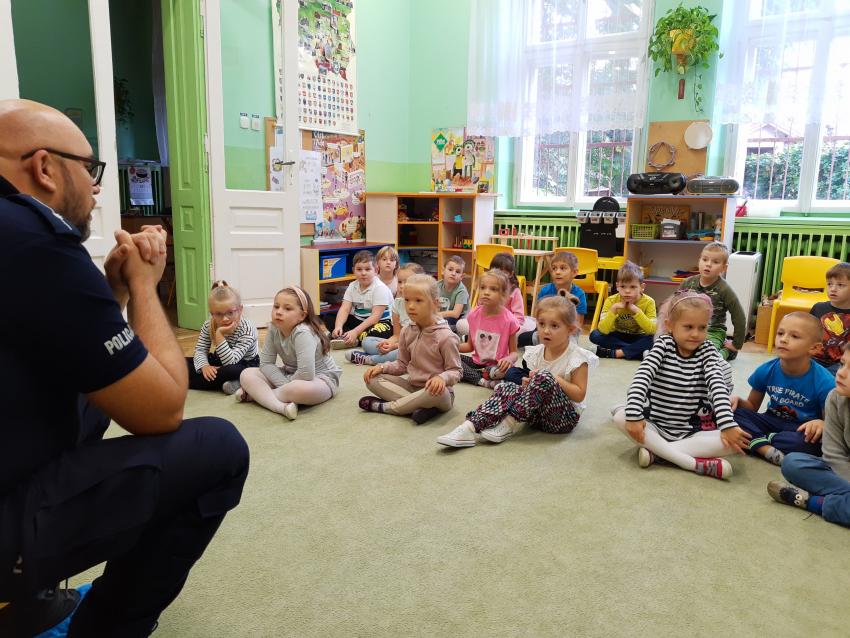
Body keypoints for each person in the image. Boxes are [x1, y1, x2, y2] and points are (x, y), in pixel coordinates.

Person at [0, 99, 248, 636]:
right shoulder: (36, 239)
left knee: (89, 395)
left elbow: (81, 355)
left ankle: (27, 600)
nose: (96, 188)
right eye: (89, 169)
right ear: (44, 168)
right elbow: (162, 408)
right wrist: (143, 285)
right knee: (219, 449)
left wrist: (110, 291)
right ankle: (106, 627)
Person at [611, 290, 750, 480]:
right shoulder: (663, 346)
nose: (696, 334)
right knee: (621, 417)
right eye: (688, 327)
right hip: (655, 425)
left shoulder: (708, 351)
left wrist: (727, 425)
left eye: (702, 327)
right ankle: (691, 463)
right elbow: (641, 378)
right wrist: (634, 414)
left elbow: (718, 385)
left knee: (733, 442)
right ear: (670, 326)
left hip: (690, 432)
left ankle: (658, 454)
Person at [437, 296, 597, 448]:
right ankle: (469, 427)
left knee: (544, 376)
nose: (546, 330)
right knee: (507, 387)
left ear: (570, 330)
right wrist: (529, 384)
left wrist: (554, 379)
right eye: (541, 324)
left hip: (562, 419)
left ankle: (508, 424)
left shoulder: (577, 357)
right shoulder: (537, 352)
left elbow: (579, 395)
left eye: (554, 326)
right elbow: (534, 389)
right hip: (534, 415)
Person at [732, 312, 833, 466]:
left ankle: (758, 440)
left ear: (814, 348)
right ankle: (765, 448)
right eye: (780, 333)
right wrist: (738, 401)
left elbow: (830, 425)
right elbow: (752, 407)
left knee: (817, 442)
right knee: (730, 413)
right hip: (770, 420)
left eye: (794, 336)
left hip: (800, 430)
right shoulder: (766, 370)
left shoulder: (825, 382)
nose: (783, 339)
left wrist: (820, 423)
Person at [359, 274, 462, 424]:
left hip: (437, 393)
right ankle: (419, 408)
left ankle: (386, 407)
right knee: (372, 380)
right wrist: (381, 367)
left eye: (418, 300)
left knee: (438, 393)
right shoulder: (407, 330)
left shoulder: (446, 337)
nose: (411, 306)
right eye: (407, 300)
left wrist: (442, 378)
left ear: (435, 303)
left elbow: (456, 371)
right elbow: (402, 365)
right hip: (412, 387)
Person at [768, 344, 850, 527]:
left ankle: (814, 502)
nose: (841, 373)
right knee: (792, 463)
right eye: (842, 364)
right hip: (843, 471)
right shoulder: (835, 397)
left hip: (839, 480)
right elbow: (833, 454)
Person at [237, 286, 341, 421]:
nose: (279, 312)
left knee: (296, 389)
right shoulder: (274, 328)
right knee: (247, 373)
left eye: (287, 309)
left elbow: (306, 374)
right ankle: (280, 407)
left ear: (302, 316)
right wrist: (284, 383)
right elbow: (266, 364)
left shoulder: (303, 332)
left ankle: (256, 395)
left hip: (320, 379)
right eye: (276, 306)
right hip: (290, 375)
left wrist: (285, 385)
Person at [187, 280, 259, 395]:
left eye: (230, 312)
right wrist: (204, 366)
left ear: (240, 310)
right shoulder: (208, 324)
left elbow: (231, 362)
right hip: (219, 359)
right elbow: (200, 350)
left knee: (231, 371)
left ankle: (185, 382)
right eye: (219, 314)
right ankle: (229, 382)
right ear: (212, 314)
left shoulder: (248, 329)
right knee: (181, 362)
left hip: (243, 364)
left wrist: (220, 334)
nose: (225, 319)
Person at [677, 241, 746, 360]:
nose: (708, 264)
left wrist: (736, 344)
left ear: (724, 268)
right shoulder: (687, 283)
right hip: (688, 327)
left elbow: (739, 316)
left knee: (706, 355)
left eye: (715, 262)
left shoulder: (724, 289)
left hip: (713, 331)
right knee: (673, 346)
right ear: (699, 261)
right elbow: (674, 306)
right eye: (705, 259)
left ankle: (726, 352)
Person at [346, 262, 424, 366]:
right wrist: (388, 343)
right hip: (401, 344)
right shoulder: (397, 304)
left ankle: (369, 359)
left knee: (403, 352)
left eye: (407, 282)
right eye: (400, 282)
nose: (402, 286)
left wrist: (394, 346)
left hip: (419, 347)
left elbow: (419, 341)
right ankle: (384, 357)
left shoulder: (423, 306)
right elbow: (397, 335)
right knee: (367, 342)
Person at [458, 269, 520, 388]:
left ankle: (475, 376)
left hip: (497, 367)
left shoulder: (510, 320)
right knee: (452, 359)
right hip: (477, 364)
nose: (486, 292)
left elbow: (514, 353)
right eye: (483, 288)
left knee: (508, 372)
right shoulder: (473, 315)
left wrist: (508, 359)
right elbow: (469, 346)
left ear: (503, 293)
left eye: (493, 289)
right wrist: (452, 347)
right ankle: (482, 380)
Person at [589, 261, 656, 360]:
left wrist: (637, 311)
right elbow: (603, 330)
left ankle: (614, 353)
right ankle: (637, 353)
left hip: (639, 336)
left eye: (633, 287)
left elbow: (652, 330)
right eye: (623, 286)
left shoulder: (649, 302)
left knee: (655, 339)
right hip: (617, 335)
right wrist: (613, 309)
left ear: (642, 287)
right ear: (617, 286)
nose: (627, 291)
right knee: (595, 335)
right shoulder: (611, 301)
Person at [519, 251, 586, 347]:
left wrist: (560, 332)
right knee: (521, 338)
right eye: (554, 268)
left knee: (570, 345)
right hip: (545, 330)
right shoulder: (545, 291)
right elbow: (537, 317)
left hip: (567, 333)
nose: (557, 272)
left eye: (563, 268)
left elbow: (578, 323)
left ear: (574, 272)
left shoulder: (579, 294)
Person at [331, 249, 393, 349]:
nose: (363, 273)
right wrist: (338, 326)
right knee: (330, 317)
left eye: (368, 269)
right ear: (353, 271)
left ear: (376, 270)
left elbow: (375, 317)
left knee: (375, 333)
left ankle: (353, 339)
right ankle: (346, 336)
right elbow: (345, 309)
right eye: (359, 269)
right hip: (360, 321)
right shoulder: (352, 286)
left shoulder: (380, 288)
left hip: (380, 323)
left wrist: (355, 331)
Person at [810, 261, 850, 375]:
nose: (833, 289)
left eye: (840, 285)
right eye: (829, 284)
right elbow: (807, 334)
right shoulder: (818, 308)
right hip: (814, 358)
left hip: (840, 364)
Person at [437, 255, 469, 329]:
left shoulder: (461, 291)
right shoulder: (437, 286)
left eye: (457, 272)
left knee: (463, 325)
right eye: (450, 270)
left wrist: (437, 315)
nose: (453, 273)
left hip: (460, 319)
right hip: (444, 317)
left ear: (461, 276)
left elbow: (456, 314)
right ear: (443, 271)